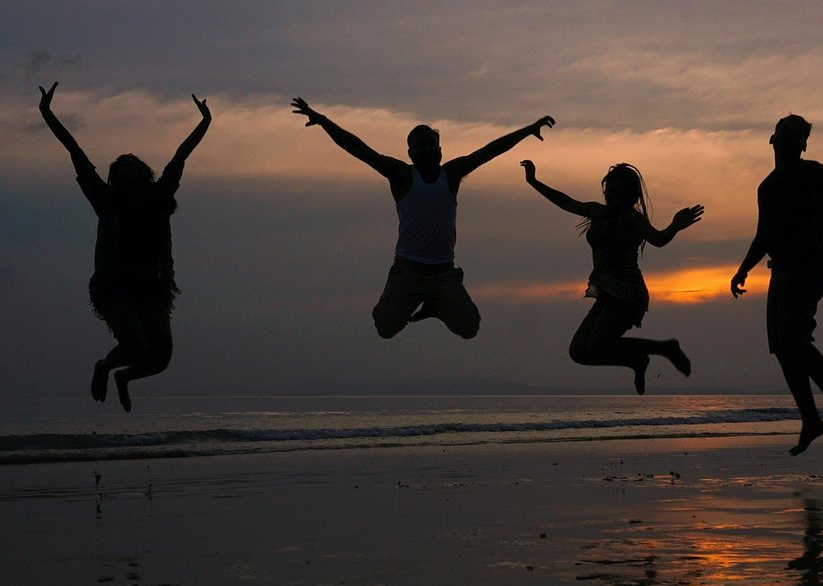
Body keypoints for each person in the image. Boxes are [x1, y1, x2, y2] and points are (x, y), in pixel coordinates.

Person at [290, 97, 555, 339]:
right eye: (421, 145)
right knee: (385, 328)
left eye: (432, 144)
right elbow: (360, 149)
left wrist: (528, 130)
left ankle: (435, 306)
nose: (428, 148)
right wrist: (323, 121)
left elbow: (489, 150)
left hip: (443, 274)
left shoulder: (451, 174)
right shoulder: (402, 175)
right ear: (411, 153)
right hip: (407, 272)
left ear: (440, 149)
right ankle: (407, 298)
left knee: (469, 328)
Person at [38, 82, 211, 411]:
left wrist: (205, 122)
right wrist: (47, 114)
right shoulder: (106, 199)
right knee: (134, 345)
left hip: (151, 283)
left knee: (161, 357)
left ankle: (124, 378)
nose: (130, 171)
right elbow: (76, 154)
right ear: (115, 178)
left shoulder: (159, 195)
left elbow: (181, 156)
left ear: (145, 173)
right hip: (114, 284)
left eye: (134, 167)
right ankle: (104, 366)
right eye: (122, 169)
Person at [521, 160, 701, 394]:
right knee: (579, 353)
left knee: (598, 345)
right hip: (607, 293)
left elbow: (658, 240)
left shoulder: (632, 219)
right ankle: (636, 361)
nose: (615, 197)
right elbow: (565, 202)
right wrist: (533, 181)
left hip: (629, 294)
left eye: (622, 193)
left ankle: (666, 348)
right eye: (611, 191)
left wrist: (675, 226)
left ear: (632, 196)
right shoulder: (598, 212)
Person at [731, 114, 823, 454]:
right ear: (772, 139)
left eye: (797, 134)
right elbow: (763, 235)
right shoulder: (766, 187)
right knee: (783, 348)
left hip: (810, 267)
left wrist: (797, 251)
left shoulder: (815, 172)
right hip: (780, 272)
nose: (789, 138)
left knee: (792, 336)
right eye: (784, 132)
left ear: (804, 145)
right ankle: (811, 418)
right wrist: (743, 269)